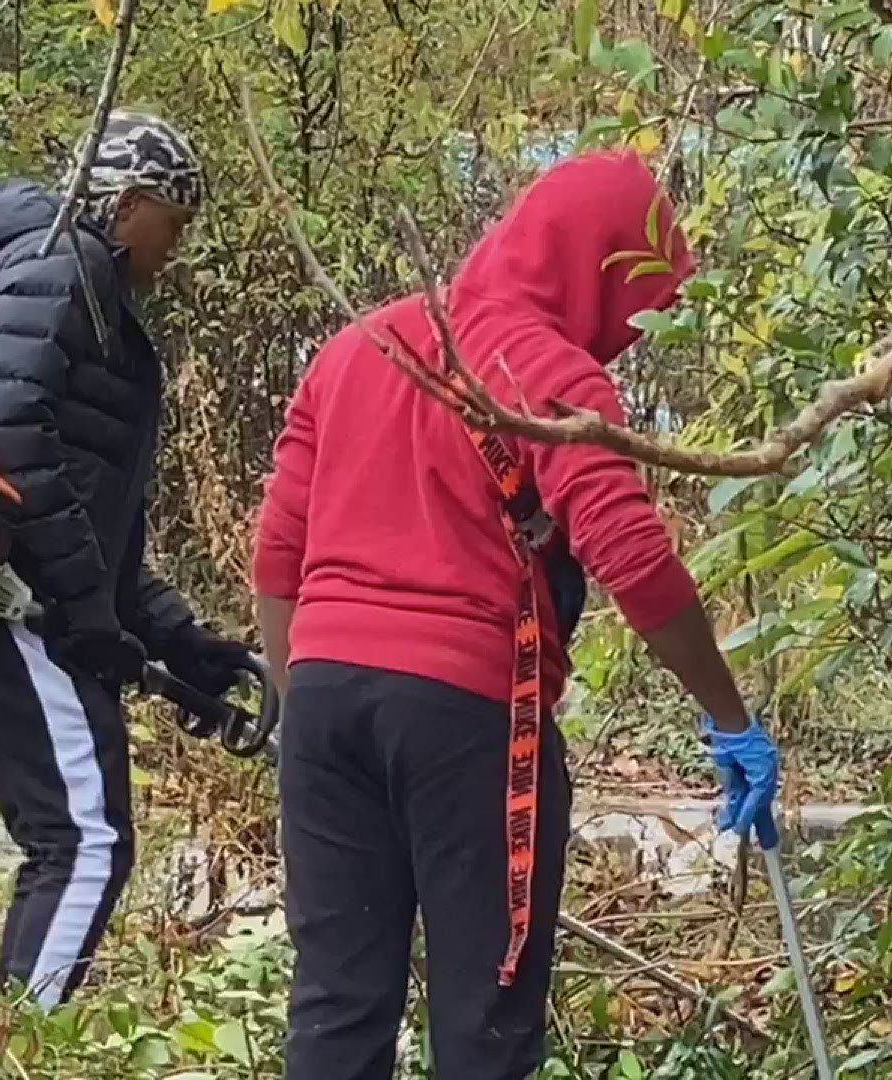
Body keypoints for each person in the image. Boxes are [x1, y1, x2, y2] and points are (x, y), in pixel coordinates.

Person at [250, 150, 781, 1080]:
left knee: (335, 1010)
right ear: (602, 267)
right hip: (465, 720)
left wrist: (309, 709)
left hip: (324, 705)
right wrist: (729, 716)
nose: (642, 332)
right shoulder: (545, 368)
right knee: (484, 1023)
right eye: (644, 303)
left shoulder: (355, 348)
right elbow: (633, 557)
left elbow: (276, 559)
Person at [0, 111, 253, 1008]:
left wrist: (172, 638)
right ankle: (24, 1049)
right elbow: (2, 437)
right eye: (177, 219)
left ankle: (18, 1037)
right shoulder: (62, 267)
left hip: (14, 590)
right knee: (83, 842)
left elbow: (90, 516)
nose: (179, 245)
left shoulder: (70, 282)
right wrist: (90, 616)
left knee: (74, 838)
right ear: (129, 204)